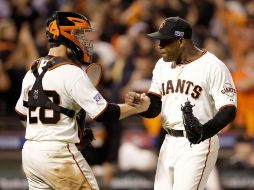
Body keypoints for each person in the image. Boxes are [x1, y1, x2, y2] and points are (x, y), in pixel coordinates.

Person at [15, 11, 150, 190]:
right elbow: (104, 113)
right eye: (81, 33)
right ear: (67, 34)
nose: (86, 39)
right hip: (59, 155)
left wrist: (50, 134)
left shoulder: (32, 71)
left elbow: (22, 115)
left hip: (31, 153)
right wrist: (140, 107)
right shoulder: (72, 72)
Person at [125, 17, 237, 190]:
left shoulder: (212, 66)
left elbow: (229, 109)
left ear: (180, 40)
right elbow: (154, 106)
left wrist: (204, 132)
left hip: (198, 143)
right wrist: (141, 104)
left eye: (165, 41)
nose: (159, 46)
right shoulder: (161, 65)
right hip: (169, 141)